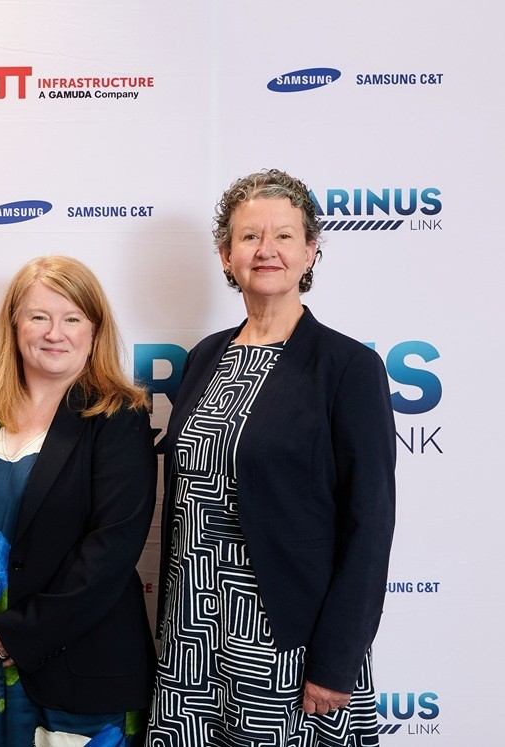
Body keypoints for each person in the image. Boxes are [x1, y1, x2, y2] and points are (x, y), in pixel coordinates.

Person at [147, 169, 396, 746]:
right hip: (191, 633)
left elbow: (370, 524)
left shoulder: (348, 369)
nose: (266, 251)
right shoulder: (205, 357)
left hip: (286, 641)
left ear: (310, 251)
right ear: (226, 255)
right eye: (249, 237)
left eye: (284, 236)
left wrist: (336, 661)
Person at [0, 255, 157, 746]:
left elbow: (111, 549)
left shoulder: (119, 416)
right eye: (39, 316)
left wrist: (15, 632)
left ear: (95, 330)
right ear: (14, 325)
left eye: (72, 318)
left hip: (77, 671)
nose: (54, 332)